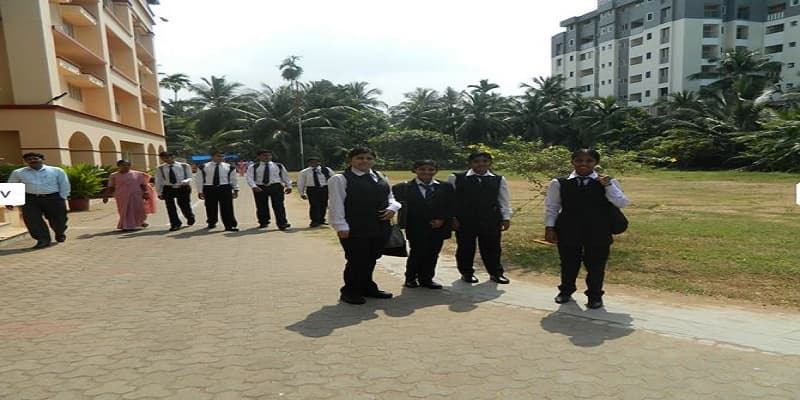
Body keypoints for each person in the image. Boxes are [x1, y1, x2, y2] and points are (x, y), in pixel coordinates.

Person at [543, 149, 629, 309]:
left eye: (589, 160)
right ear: (572, 162)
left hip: (598, 229)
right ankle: (566, 291)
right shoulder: (559, 183)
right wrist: (550, 227)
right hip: (568, 228)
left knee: (596, 264)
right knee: (568, 263)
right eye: (579, 160)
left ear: (596, 163)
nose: (583, 164)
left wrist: (608, 185)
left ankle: (595, 295)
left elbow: (622, 202)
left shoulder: (608, 181)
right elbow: (552, 206)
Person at [328, 146, 401, 305]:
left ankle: (367, 287)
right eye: (360, 158)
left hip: (380, 226)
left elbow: (391, 197)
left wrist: (393, 207)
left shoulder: (380, 176)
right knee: (356, 260)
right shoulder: (340, 179)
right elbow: (336, 204)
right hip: (355, 227)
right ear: (350, 160)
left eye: (369, 158)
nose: (365, 161)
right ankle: (350, 291)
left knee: (371, 258)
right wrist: (340, 226)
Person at [448, 151, 512, 284]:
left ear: (490, 163)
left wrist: (506, 218)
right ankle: (466, 272)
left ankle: (495, 273)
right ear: (470, 163)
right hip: (465, 219)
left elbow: (504, 200)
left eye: (484, 161)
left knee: (492, 247)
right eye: (476, 161)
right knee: (466, 247)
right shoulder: (456, 178)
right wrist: (452, 218)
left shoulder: (498, 179)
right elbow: (450, 200)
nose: (481, 164)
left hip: (490, 219)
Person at [392, 160, 454, 289]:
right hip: (415, 226)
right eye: (422, 169)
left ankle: (427, 279)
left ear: (436, 171)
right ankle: (410, 278)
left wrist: (442, 219)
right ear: (415, 170)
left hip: (438, 226)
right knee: (417, 252)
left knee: (433, 253)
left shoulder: (445, 187)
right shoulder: (402, 188)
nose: (426, 172)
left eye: (430, 169)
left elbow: (451, 206)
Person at [5, 152, 70, 249]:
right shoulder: (18, 172)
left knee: (59, 219)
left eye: (35, 158)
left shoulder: (56, 171)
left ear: (43, 160)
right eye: (29, 159)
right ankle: (43, 240)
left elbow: (64, 184)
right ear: (26, 162)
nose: (32, 161)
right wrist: (9, 201)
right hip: (30, 199)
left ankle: (59, 232)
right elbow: (11, 185)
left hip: (53, 198)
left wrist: (62, 198)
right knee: (33, 221)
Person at [103, 160, 157, 232]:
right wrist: (106, 196)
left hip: (136, 195)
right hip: (121, 196)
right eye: (123, 165)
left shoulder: (137, 174)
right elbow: (111, 186)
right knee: (124, 211)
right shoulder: (114, 175)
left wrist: (146, 192)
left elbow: (143, 184)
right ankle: (126, 225)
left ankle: (140, 222)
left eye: (127, 165)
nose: (125, 167)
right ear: (118, 166)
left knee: (139, 210)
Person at [246, 150, 292, 230]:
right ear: (259, 157)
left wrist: (289, 186)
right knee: (261, 206)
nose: (267, 157)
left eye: (269, 155)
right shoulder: (254, 166)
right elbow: (249, 177)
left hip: (276, 186)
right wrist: (253, 186)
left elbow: (285, 176)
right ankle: (263, 221)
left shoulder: (278, 165)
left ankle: (282, 223)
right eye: (264, 155)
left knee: (279, 205)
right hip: (260, 187)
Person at [196, 150, 239, 232]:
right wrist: (200, 191)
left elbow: (233, 179)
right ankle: (211, 222)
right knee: (210, 207)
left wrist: (236, 189)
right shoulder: (203, 167)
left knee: (227, 207)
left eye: (222, 156)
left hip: (225, 187)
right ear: (212, 157)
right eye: (218, 156)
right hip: (209, 188)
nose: (221, 158)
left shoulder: (229, 167)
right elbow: (199, 180)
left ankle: (229, 225)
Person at [154, 151, 195, 231]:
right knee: (170, 207)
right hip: (168, 188)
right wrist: (159, 192)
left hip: (182, 187)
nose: (165, 160)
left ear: (173, 157)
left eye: (166, 157)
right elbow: (159, 180)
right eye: (162, 158)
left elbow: (190, 176)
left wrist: (186, 181)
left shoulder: (184, 166)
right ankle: (175, 224)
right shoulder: (160, 168)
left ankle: (190, 216)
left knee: (184, 205)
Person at [296, 156, 334, 227]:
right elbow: (301, 182)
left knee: (323, 204)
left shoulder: (326, 169)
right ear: (308, 163)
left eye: (316, 161)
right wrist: (301, 192)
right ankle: (314, 221)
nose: (314, 163)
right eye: (312, 162)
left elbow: (333, 178)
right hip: (312, 189)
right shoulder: (304, 172)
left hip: (324, 188)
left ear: (319, 162)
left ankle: (321, 219)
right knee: (314, 205)